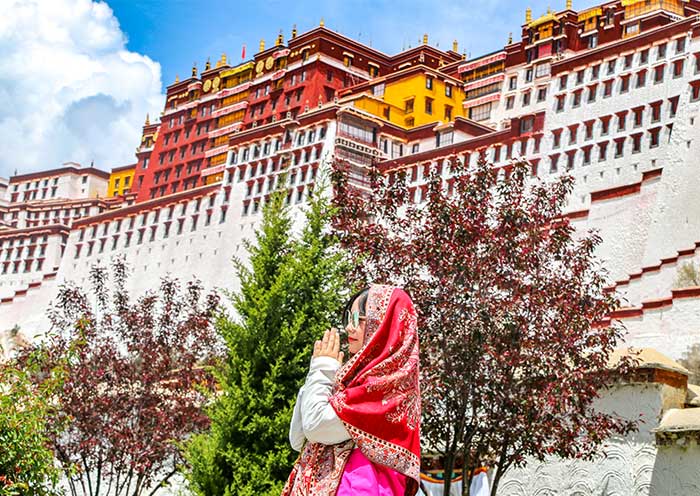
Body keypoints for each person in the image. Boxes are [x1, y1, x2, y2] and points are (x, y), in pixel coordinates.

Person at [282, 284, 421, 496]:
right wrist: (323, 375)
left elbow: (314, 426)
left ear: (383, 326)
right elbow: (298, 437)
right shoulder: (353, 383)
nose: (349, 328)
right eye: (348, 318)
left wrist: (322, 370)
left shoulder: (385, 391)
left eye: (357, 319)